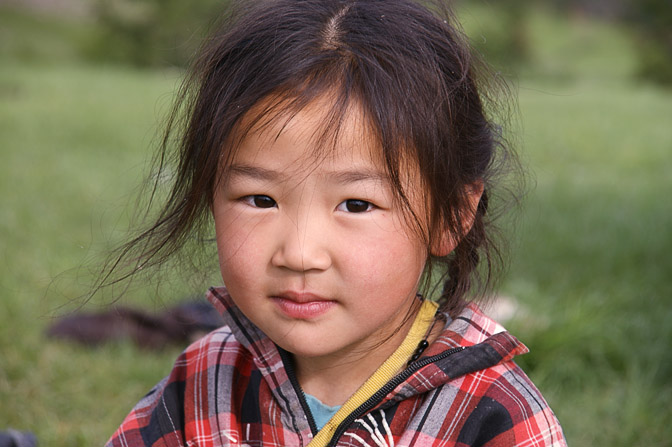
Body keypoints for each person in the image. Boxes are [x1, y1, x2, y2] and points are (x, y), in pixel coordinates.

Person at [105, 0, 566, 445]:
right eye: (260, 199)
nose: (300, 253)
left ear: (451, 216)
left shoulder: (494, 416)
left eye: (356, 205)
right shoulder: (204, 382)